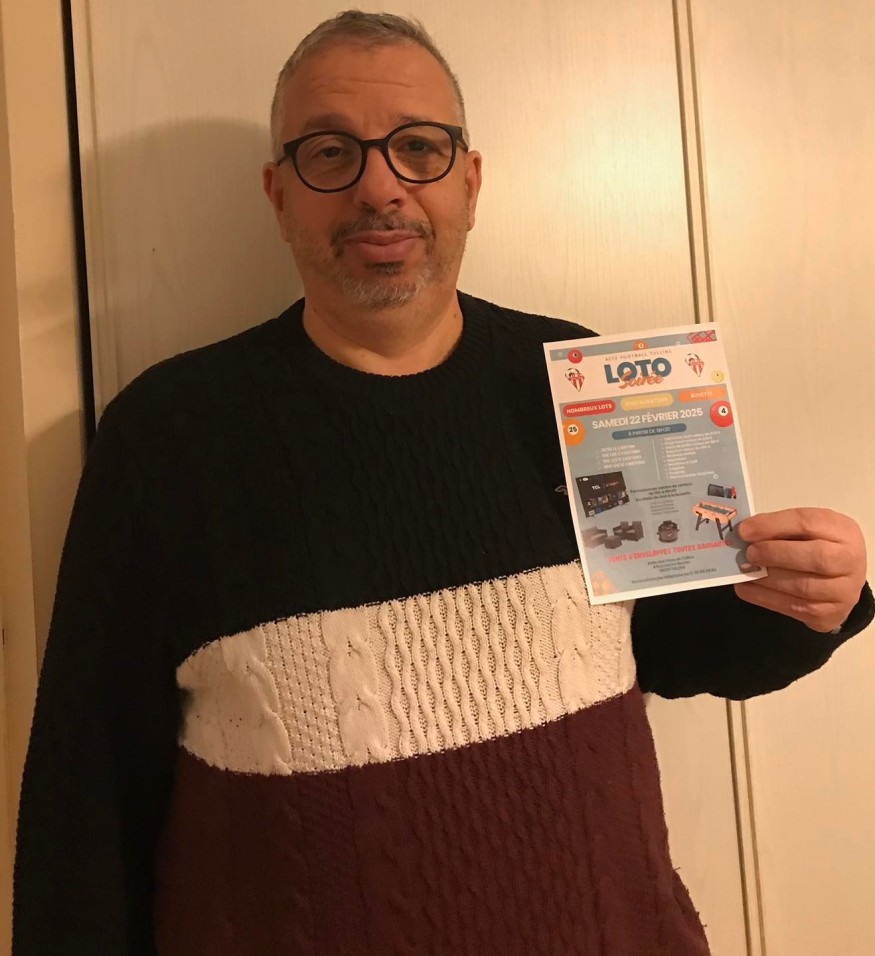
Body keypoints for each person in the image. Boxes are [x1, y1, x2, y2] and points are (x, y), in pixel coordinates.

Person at [13, 10, 872, 956]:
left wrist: (810, 604)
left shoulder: (585, 386)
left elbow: (676, 646)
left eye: (418, 147)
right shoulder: (168, 436)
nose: (379, 187)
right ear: (278, 194)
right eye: (330, 153)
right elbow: (85, 801)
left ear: (469, 181)